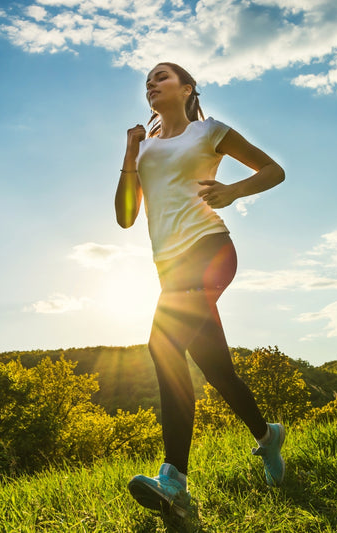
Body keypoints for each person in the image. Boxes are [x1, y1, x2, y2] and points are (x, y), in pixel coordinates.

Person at [114, 62, 286, 518]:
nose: (152, 82)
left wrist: (233, 191)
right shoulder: (145, 148)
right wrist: (130, 152)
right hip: (168, 269)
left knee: (163, 347)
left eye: (163, 76)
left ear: (187, 88)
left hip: (210, 249)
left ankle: (174, 482)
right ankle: (268, 436)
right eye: (148, 78)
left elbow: (274, 170)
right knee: (218, 372)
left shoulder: (210, 131)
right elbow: (126, 216)